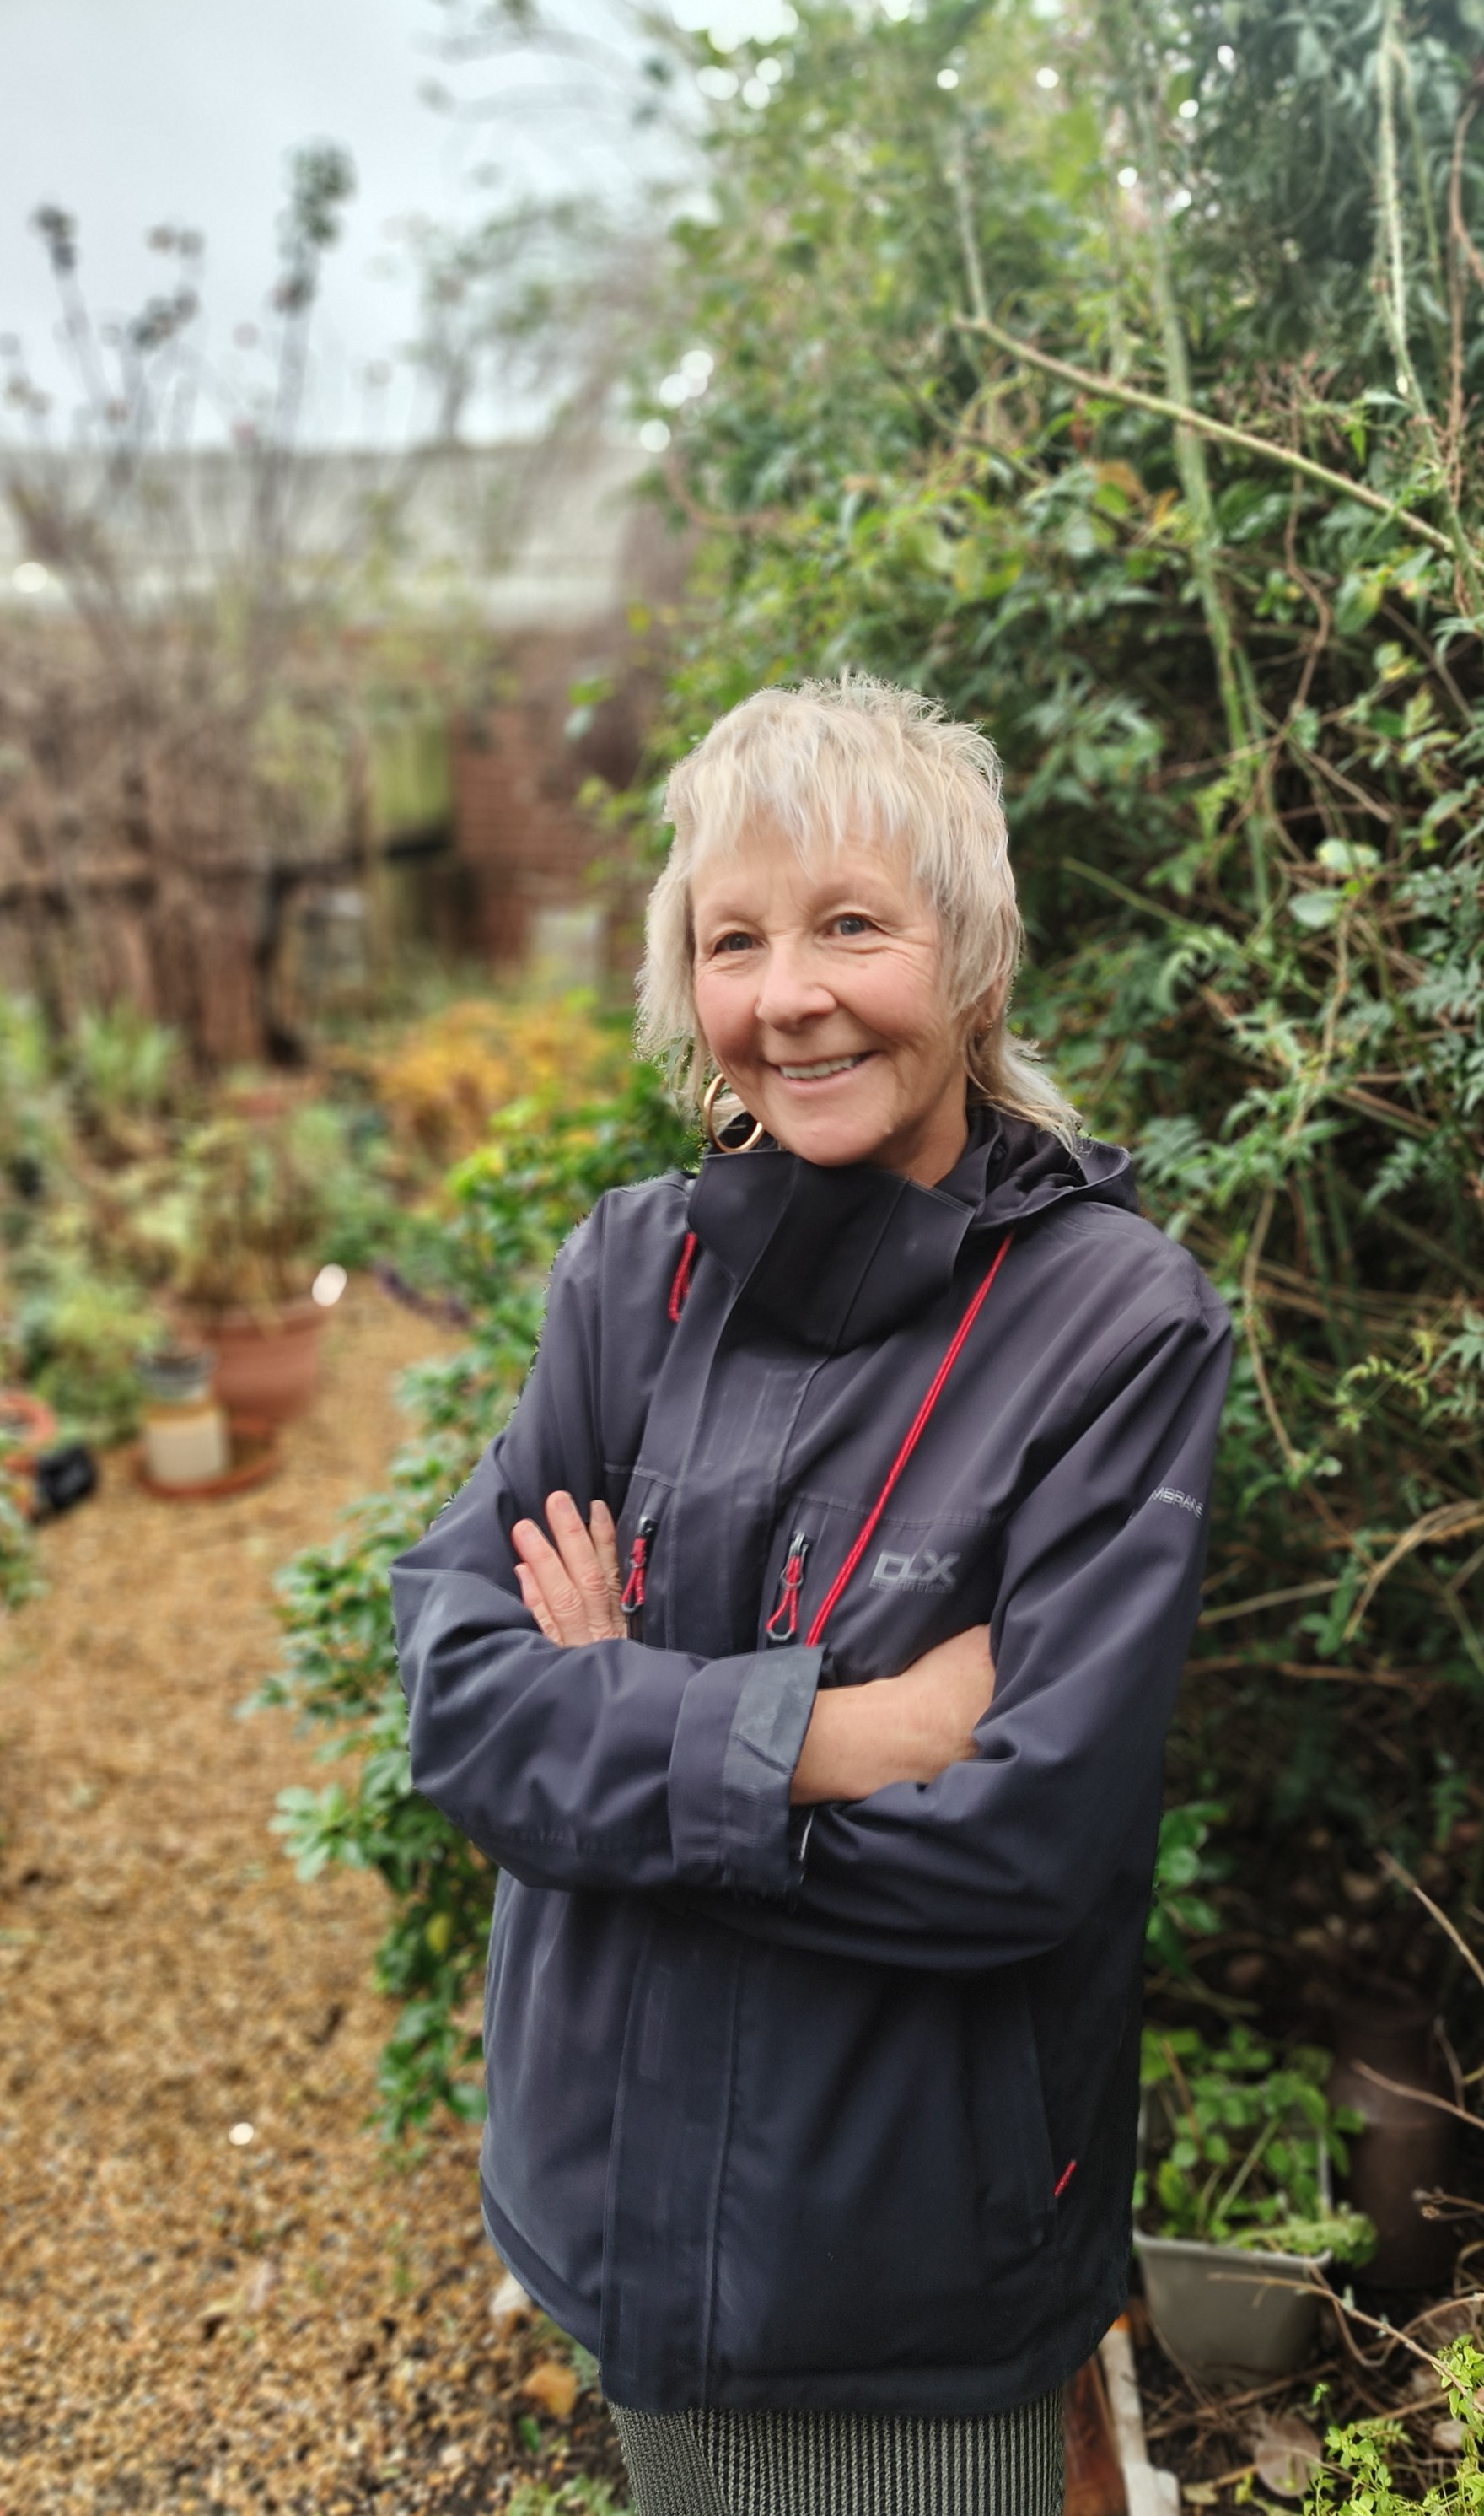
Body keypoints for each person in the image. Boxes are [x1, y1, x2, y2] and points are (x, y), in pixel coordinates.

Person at [392, 675, 1233, 2516]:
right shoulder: (632, 1274)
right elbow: (458, 1698)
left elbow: (1022, 1844)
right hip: (616, 2209)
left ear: (974, 953)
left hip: (906, 2266)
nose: (791, 993)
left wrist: (616, 1719)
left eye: (854, 924)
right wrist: (851, 1733)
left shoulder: (1115, 1327)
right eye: (735, 940)